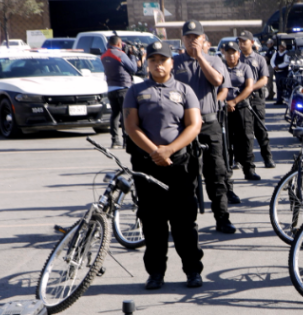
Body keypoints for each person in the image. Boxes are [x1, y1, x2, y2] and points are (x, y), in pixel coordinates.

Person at [123, 40, 204, 290]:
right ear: (146, 63)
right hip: (147, 165)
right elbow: (131, 127)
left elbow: (194, 125)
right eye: (153, 60)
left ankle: (192, 271)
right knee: (152, 222)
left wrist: (170, 149)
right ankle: (156, 273)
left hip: (179, 165)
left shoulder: (184, 90)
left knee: (183, 222)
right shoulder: (135, 91)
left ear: (172, 63)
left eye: (163, 60)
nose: (158, 65)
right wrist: (155, 151)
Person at [173, 20, 238, 232]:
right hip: (183, 127)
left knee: (216, 174)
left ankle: (222, 218)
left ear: (203, 39)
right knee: (185, 177)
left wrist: (200, 57)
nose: (192, 40)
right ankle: (186, 223)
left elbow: (218, 81)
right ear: (182, 39)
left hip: (209, 123)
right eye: (188, 37)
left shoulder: (214, 60)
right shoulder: (175, 63)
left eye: (196, 37)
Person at [221, 42, 258, 181]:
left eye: (234, 52)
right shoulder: (220, 67)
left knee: (246, 139)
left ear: (238, 53)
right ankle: (227, 169)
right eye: (228, 52)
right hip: (224, 108)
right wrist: (225, 103)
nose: (231, 55)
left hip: (242, 107)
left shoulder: (245, 67)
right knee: (226, 139)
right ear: (224, 53)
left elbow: (249, 87)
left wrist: (234, 102)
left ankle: (249, 170)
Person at [239, 30, 274, 168]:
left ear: (252, 42)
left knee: (260, 130)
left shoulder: (259, 59)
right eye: (240, 41)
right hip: (241, 99)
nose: (241, 44)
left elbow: (264, 80)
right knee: (244, 133)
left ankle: (268, 158)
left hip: (256, 98)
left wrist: (250, 87)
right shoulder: (237, 58)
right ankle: (245, 162)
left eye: (244, 41)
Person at [102, 35, 138, 149]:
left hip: (111, 88)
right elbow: (133, 68)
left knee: (115, 114)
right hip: (123, 88)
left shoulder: (103, 55)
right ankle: (126, 140)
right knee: (125, 116)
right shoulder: (120, 54)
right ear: (118, 44)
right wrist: (132, 56)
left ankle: (115, 140)